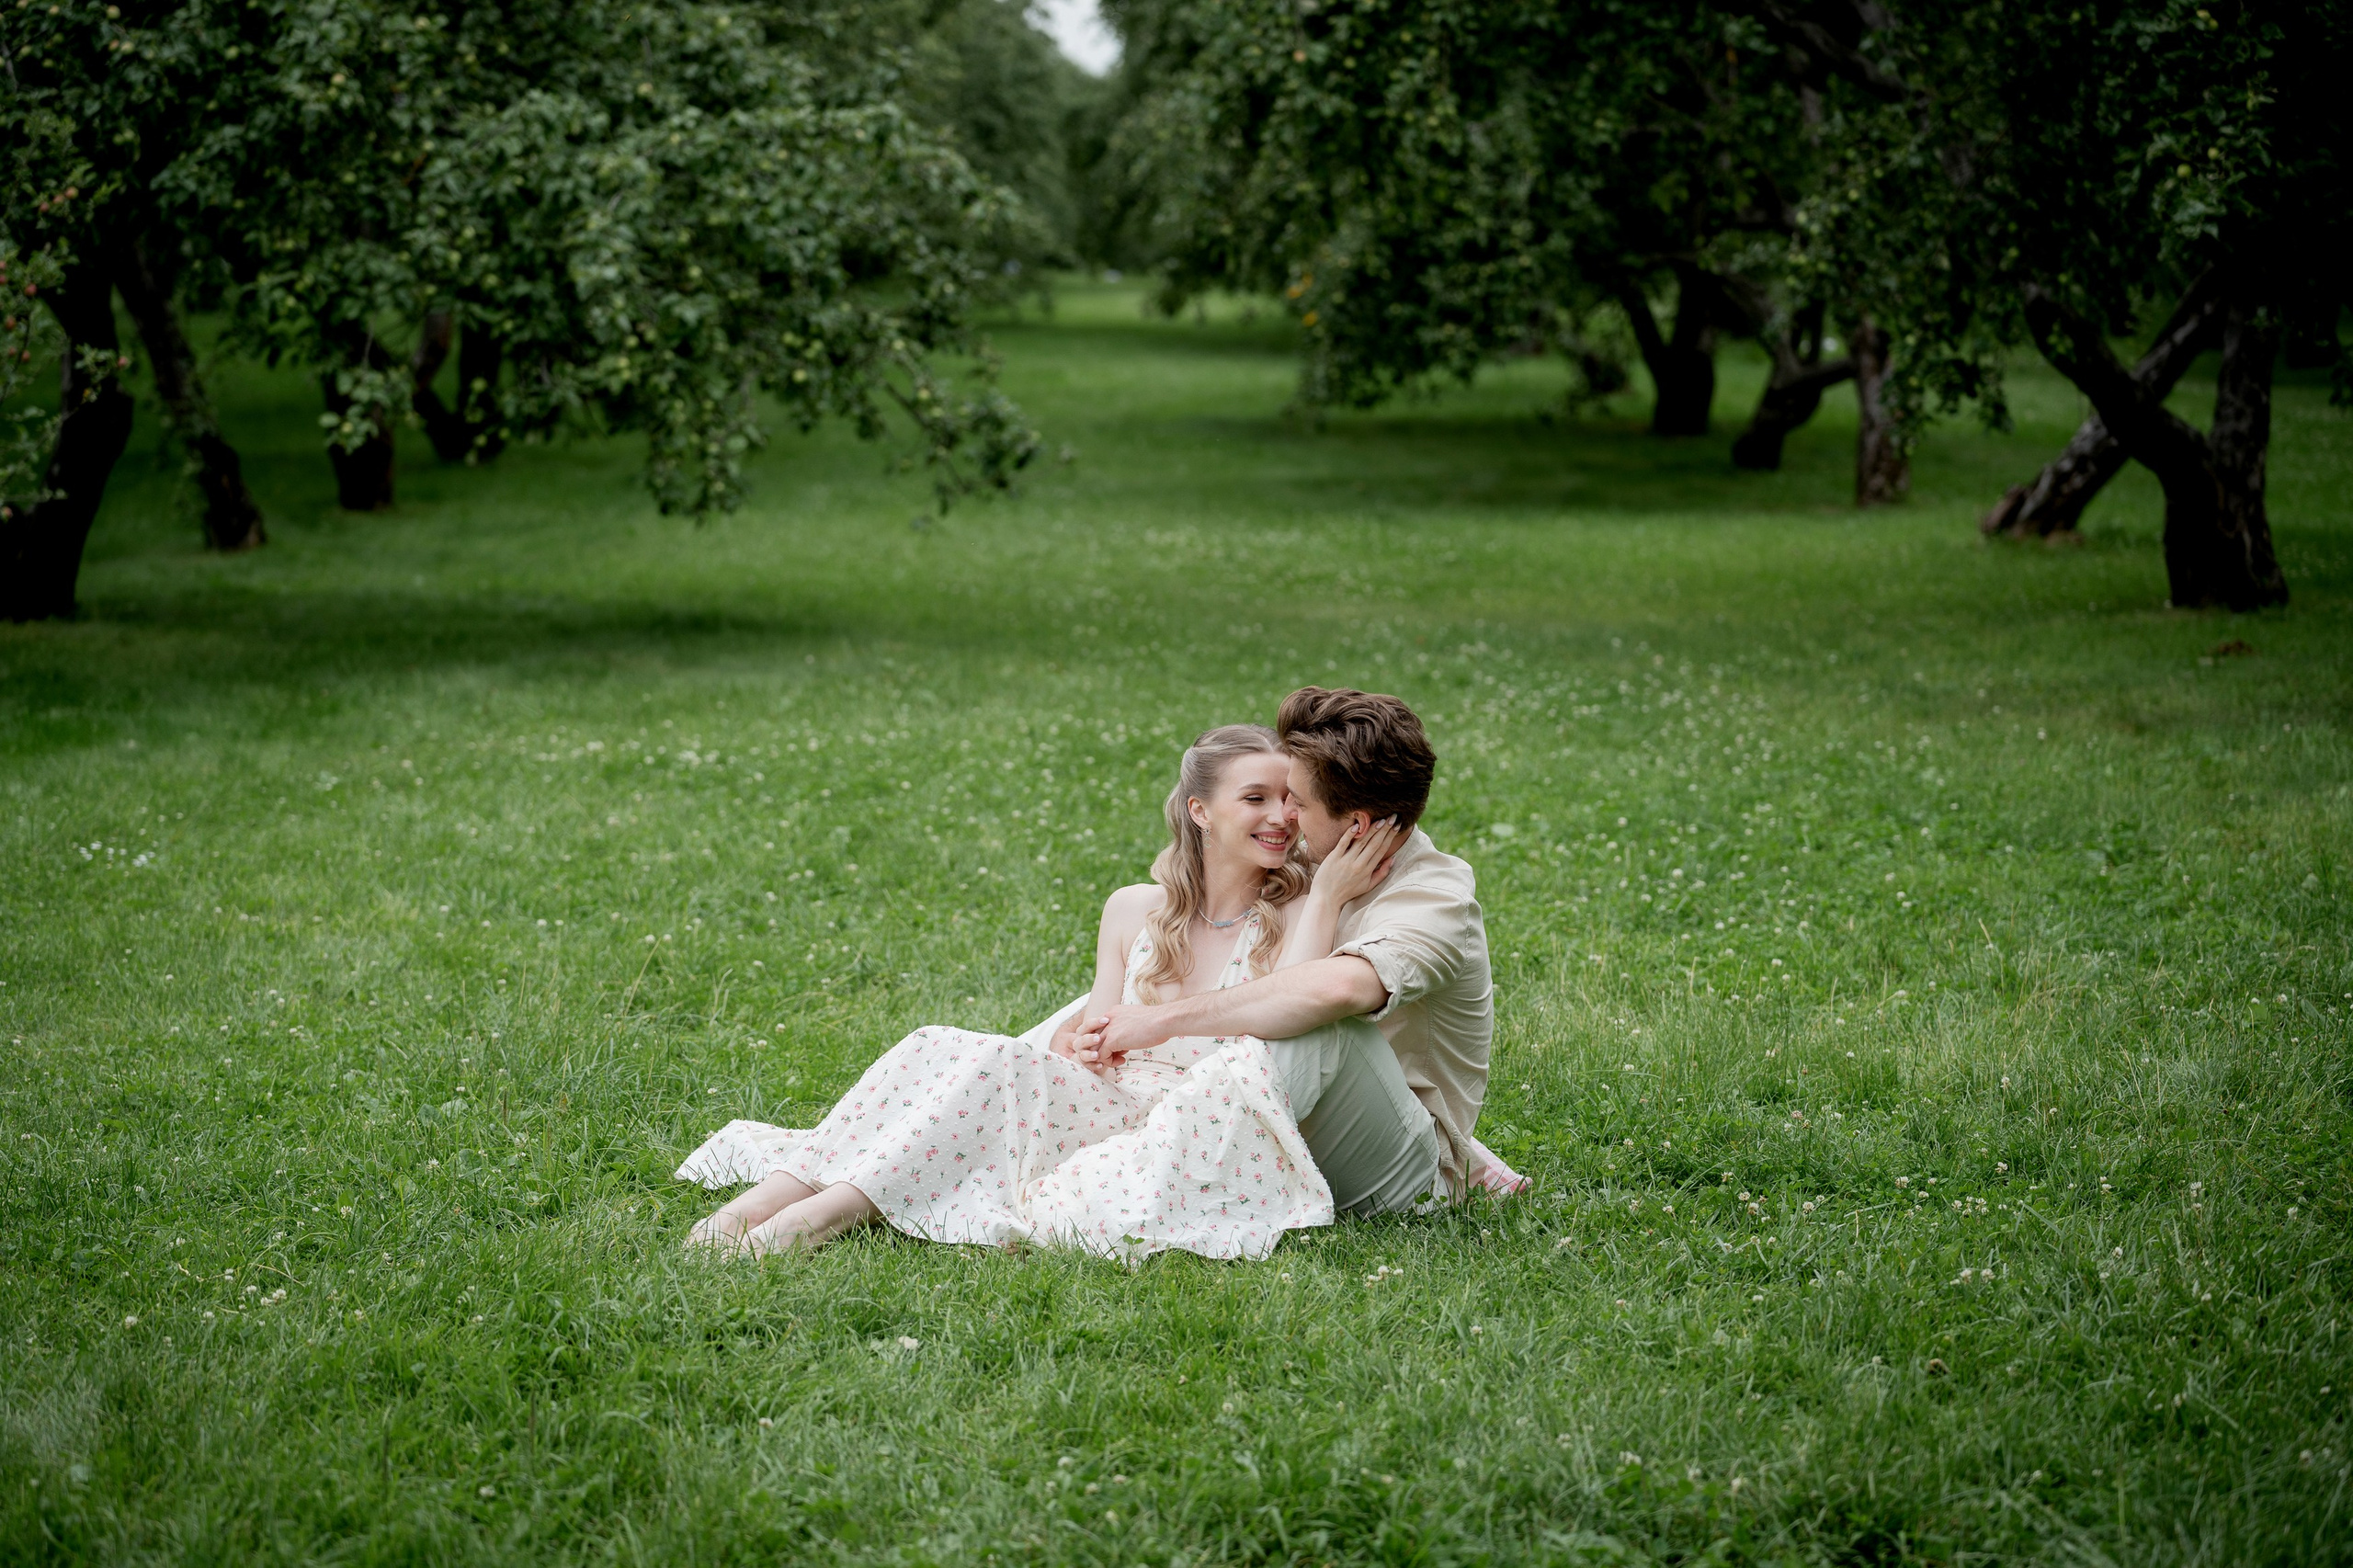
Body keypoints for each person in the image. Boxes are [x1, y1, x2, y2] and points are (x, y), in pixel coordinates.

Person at [676, 723, 1407, 1260]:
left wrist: (1327, 899)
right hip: (1105, 1096)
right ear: (1200, 812)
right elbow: (1094, 1029)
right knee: (949, 1048)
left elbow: (1300, 1015)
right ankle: (767, 1199)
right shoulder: (1132, 909)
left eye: (1288, 800)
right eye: (1256, 798)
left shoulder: (1293, 910)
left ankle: (819, 1219)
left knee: (994, 1081)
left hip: (1187, 1119)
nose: (1281, 816)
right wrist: (1081, 1039)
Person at [1072, 687, 1518, 1213]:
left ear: (1356, 826)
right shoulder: (1304, 870)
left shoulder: (1432, 896)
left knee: (1315, 1027)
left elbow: (1333, 989)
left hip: (1397, 1165)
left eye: (1298, 803)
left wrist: (1163, 1021)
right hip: (1308, 1127)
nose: (1286, 818)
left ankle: (1145, 1197)